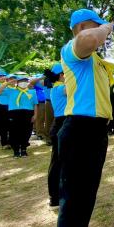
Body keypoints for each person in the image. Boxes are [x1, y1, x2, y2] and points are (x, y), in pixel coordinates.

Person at [57, 9, 114, 227]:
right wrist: (106, 28)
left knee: (86, 193)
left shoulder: (94, 60)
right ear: (80, 27)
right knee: (74, 195)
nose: (102, 31)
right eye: (96, 25)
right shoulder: (73, 50)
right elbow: (86, 40)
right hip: (79, 129)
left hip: (95, 130)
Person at [0, 74, 38, 158]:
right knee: (14, 131)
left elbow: (35, 104)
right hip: (14, 113)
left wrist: (35, 115)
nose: (24, 83)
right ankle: (16, 150)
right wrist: (7, 83)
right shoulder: (11, 91)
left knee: (26, 131)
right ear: (17, 83)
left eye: (25, 81)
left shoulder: (32, 92)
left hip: (28, 113)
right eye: (21, 81)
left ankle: (23, 149)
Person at [48, 63, 67, 208]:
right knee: (58, 163)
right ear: (61, 75)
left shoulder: (56, 88)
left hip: (62, 123)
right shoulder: (60, 89)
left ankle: (58, 195)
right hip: (61, 124)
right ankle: (55, 196)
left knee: (60, 162)